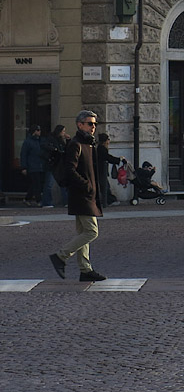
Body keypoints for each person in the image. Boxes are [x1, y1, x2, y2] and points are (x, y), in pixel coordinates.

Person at [48, 110, 107, 282]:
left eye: (95, 124)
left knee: (83, 232)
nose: (93, 127)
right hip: (82, 195)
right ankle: (60, 256)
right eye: (90, 123)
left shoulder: (88, 143)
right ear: (80, 124)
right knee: (91, 231)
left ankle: (85, 269)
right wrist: (86, 185)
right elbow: (70, 169)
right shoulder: (76, 144)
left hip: (87, 194)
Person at [96, 132, 126, 209]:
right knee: (105, 186)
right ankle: (109, 200)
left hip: (100, 170)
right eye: (108, 140)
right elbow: (108, 158)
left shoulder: (100, 148)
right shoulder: (101, 148)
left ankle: (108, 200)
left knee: (105, 185)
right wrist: (118, 160)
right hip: (101, 170)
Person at [41, 125, 68, 208]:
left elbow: (65, 150)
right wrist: (55, 149)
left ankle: (66, 201)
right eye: (63, 131)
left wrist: (68, 140)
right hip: (52, 164)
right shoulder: (50, 139)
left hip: (59, 165)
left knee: (63, 184)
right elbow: (45, 147)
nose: (64, 133)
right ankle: (46, 202)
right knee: (49, 184)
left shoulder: (61, 140)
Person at [19, 125, 45, 207]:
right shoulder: (28, 142)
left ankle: (27, 198)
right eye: (38, 130)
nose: (40, 131)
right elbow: (23, 155)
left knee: (36, 183)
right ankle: (39, 200)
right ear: (34, 131)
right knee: (36, 184)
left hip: (39, 165)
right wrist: (24, 167)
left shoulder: (40, 141)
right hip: (32, 166)